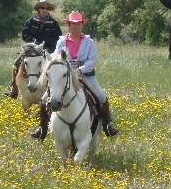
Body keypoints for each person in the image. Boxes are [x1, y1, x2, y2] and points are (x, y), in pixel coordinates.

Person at [30, 11, 120, 140]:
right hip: (65, 76)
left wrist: (81, 70)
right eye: (73, 24)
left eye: (78, 24)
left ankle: (107, 124)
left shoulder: (89, 41)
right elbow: (56, 57)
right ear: (69, 25)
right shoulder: (62, 41)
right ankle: (42, 127)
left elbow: (92, 60)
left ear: (82, 25)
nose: (75, 26)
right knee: (44, 100)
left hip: (85, 76)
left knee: (101, 96)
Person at [3, 0, 62, 98]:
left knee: (55, 66)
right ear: (38, 9)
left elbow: (57, 37)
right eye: (42, 7)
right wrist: (33, 40)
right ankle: (14, 89)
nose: (44, 10)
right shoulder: (31, 21)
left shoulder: (53, 23)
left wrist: (46, 42)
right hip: (31, 48)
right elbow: (24, 33)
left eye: (47, 8)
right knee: (16, 63)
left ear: (49, 10)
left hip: (48, 49)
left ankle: (56, 90)